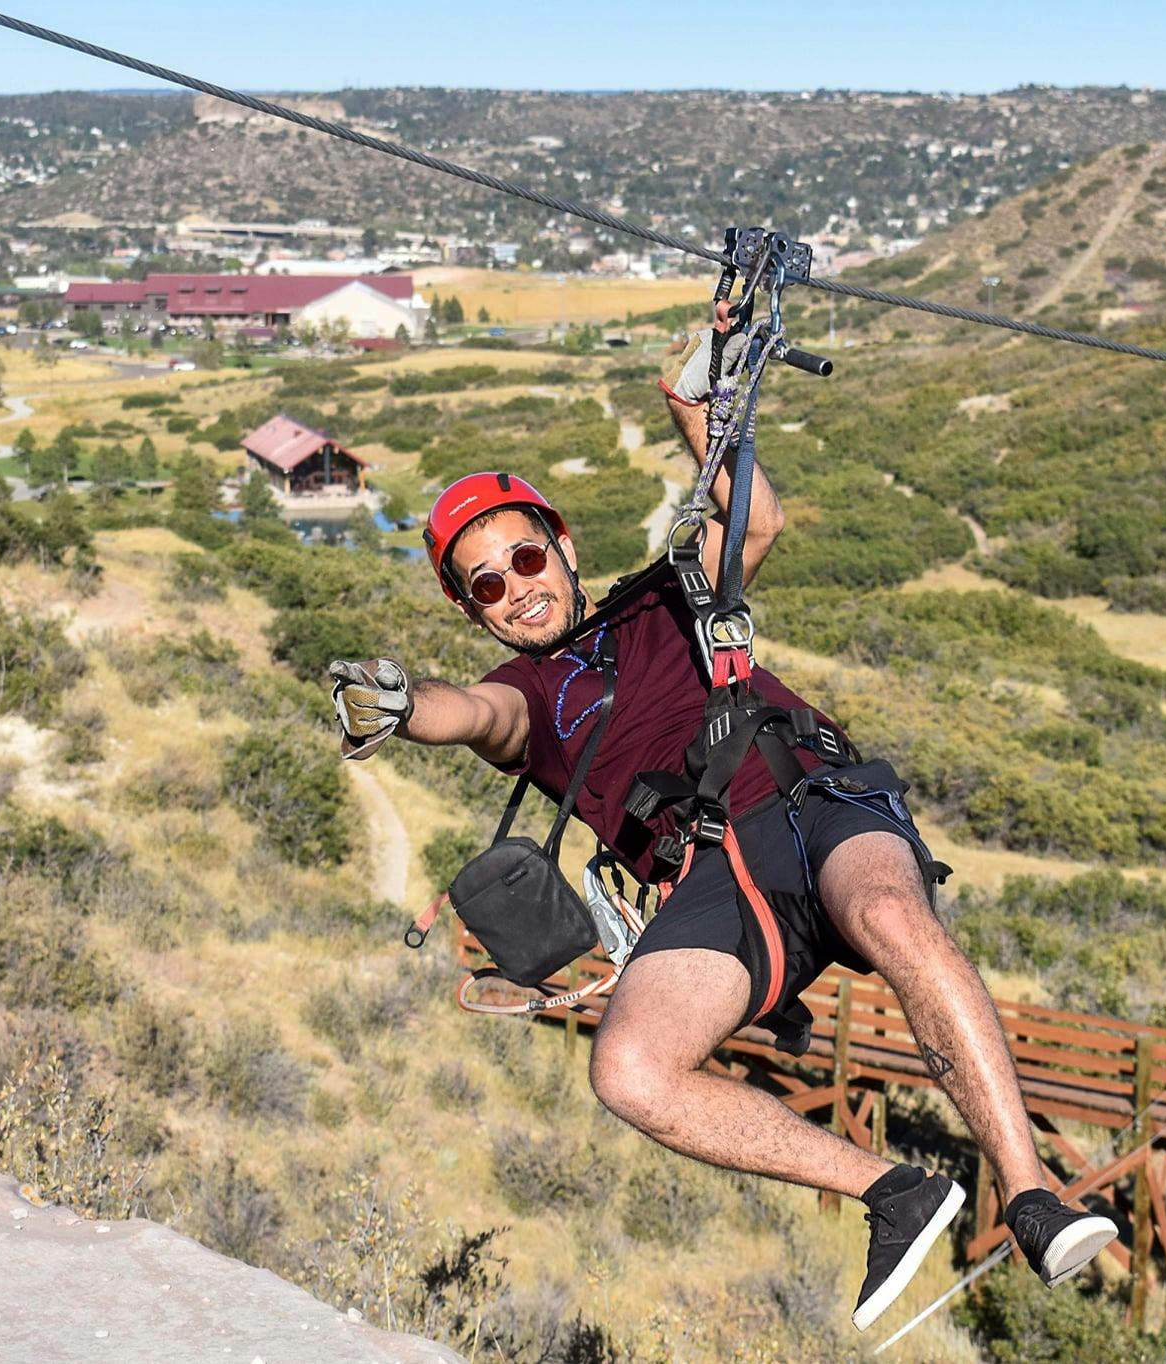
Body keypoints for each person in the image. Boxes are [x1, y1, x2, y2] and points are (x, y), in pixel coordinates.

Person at [328, 314, 1116, 1330]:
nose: (517, 589)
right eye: (486, 583)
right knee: (628, 1067)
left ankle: (1032, 1193)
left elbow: (751, 525)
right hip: (711, 882)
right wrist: (401, 707)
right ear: (468, 607)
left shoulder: (667, 596)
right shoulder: (522, 696)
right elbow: (467, 712)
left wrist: (694, 415)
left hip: (805, 803)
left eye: (524, 558)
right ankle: (894, 1191)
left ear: (559, 544)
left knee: (888, 913)